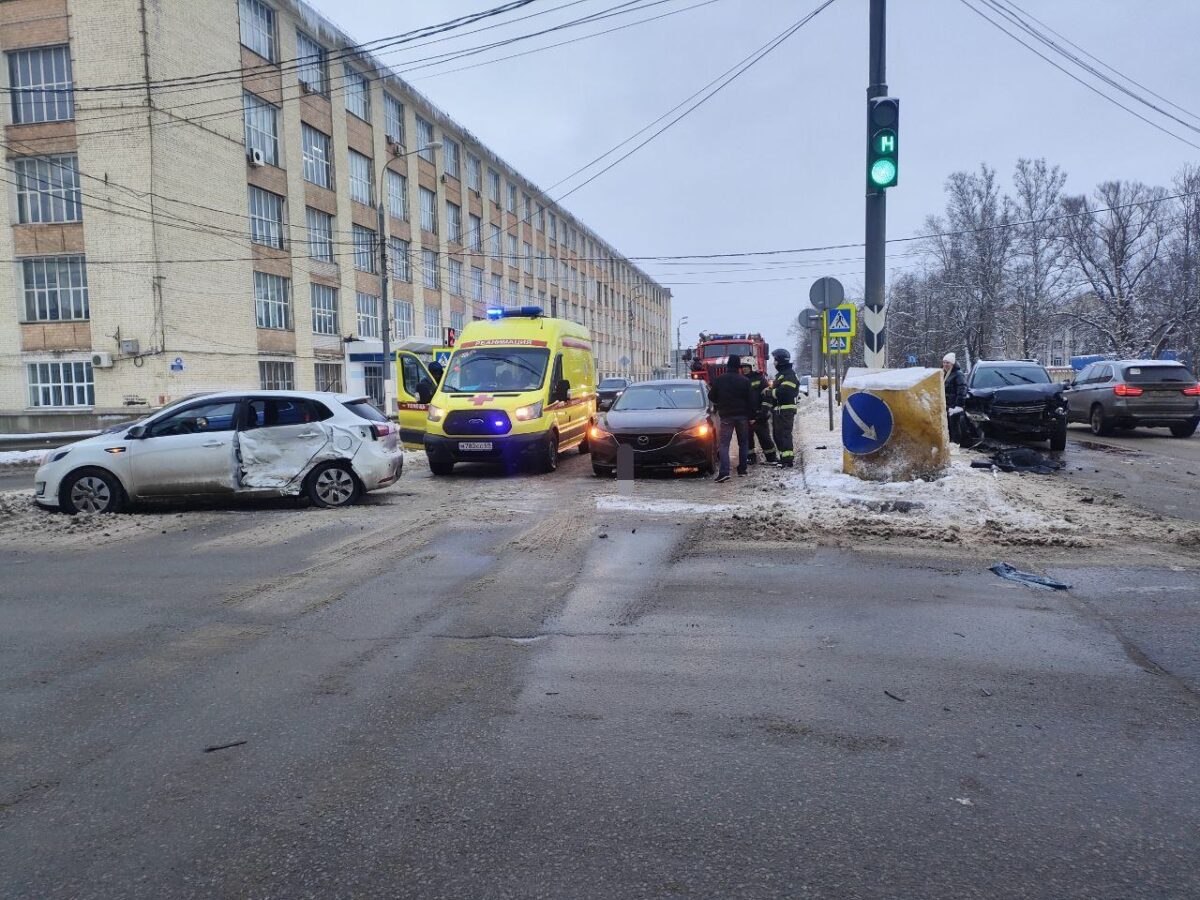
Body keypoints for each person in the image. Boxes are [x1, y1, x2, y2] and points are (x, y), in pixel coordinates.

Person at [707, 354, 757, 482]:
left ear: (728, 366)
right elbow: (751, 400)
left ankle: (724, 472)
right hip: (742, 416)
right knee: (743, 442)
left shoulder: (720, 379)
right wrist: (752, 416)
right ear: (738, 367)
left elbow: (711, 396)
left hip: (726, 416)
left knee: (724, 444)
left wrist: (721, 401)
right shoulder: (745, 380)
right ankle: (742, 469)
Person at [742, 360, 777, 465]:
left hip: (759, 415)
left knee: (765, 438)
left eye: (746, 366)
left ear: (752, 366)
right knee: (747, 440)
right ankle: (750, 458)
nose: (743, 369)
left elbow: (767, 398)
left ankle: (771, 458)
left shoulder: (760, 379)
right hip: (746, 416)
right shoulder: (741, 379)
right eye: (742, 367)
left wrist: (762, 413)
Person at [770, 348, 800, 468]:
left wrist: (770, 392)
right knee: (778, 435)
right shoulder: (782, 374)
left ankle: (788, 460)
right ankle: (783, 458)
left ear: (780, 361)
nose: (774, 363)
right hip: (779, 410)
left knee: (784, 434)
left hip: (786, 410)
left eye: (775, 360)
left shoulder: (789, 375)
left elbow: (787, 391)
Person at [942, 352, 968, 443]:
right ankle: (950, 445)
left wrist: (959, 406)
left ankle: (957, 445)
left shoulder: (958, 374)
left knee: (954, 427)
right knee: (948, 426)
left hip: (954, 406)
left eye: (947, 363)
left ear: (952, 364)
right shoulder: (945, 374)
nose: (945, 364)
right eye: (944, 362)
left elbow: (962, 389)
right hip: (947, 405)